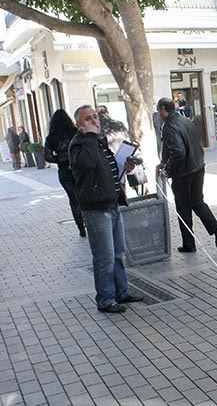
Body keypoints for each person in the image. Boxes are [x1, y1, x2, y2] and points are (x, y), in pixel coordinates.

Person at [68, 105, 144, 313]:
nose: (94, 121)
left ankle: (122, 292)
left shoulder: (99, 143)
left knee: (118, 253)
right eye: (88, 119)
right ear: (79, 125)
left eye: (95, 117)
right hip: (96, 208)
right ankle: (105, 299)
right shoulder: (79, 145)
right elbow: (88, 164)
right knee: (105, 256)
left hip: (112, 203)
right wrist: (91, 137)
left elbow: (109, 172)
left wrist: (124, 167)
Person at [155, 97, 217, 253]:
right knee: (197, 202)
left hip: (184, 172)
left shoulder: (169, 125)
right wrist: (163, 161)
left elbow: (178, 151)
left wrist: (168, 169)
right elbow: (174, 146)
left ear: (162, 109)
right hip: (197, 166)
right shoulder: (184, 120)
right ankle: (215, 227)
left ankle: (189, 244)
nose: (158, 113)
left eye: (158, 110)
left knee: (183, 208)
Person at [45, 109, 86, 237]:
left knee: (73, 200)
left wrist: (59, 159)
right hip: (79, 168)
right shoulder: (75, 133)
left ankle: (81, 228)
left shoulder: (51, 138)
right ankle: (89, 221)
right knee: (85, 195)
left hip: (64, 172)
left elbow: (47, 157)